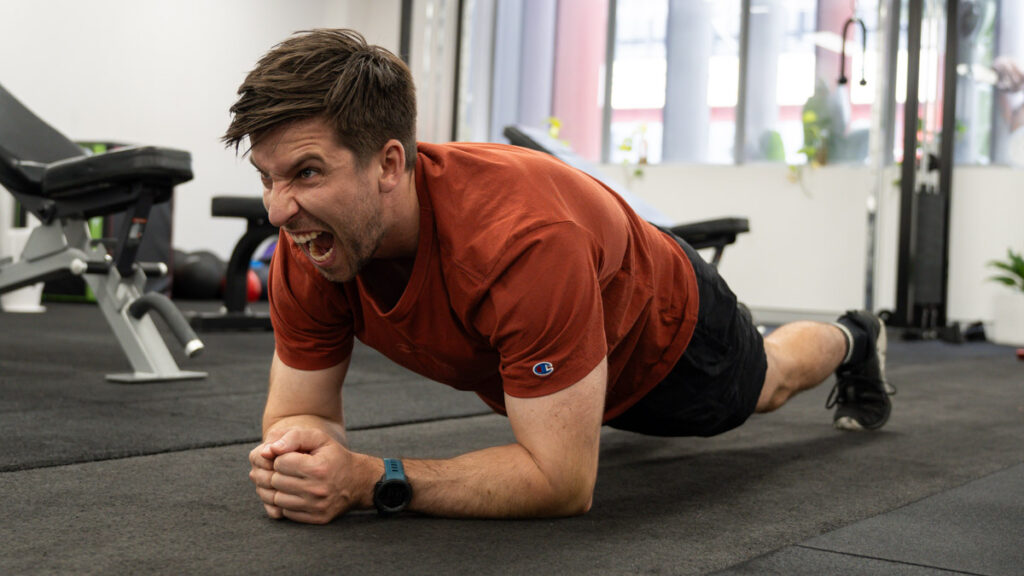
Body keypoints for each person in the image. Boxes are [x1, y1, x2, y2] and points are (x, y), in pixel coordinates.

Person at [226, 29, 894, 525]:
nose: (278, 208)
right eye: (267, 177)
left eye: (307, 173)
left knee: (768, 382)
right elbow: (300, 414)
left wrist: (372, 479)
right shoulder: (314, 242)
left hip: (667, 336)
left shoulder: (521, 243)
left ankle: (853, 337)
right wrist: (298, 457)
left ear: (389, 164)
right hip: (562, 332)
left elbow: (562, 484)